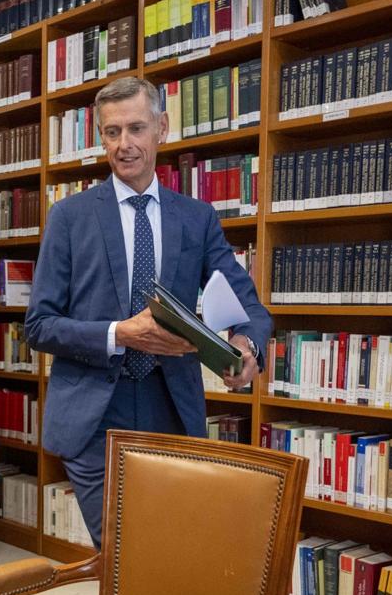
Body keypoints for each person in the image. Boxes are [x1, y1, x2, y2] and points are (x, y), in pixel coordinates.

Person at [25, 76, 271, 548]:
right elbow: (39, 325)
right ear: (100, 137)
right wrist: (120, 333)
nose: (124, 144)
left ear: (162, 127)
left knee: (170, 549)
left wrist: (245, 344)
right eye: (112, 132)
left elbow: (249, 308)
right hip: (95, 411)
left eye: (136, 128)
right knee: (123, 555)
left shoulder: (196, 218)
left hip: (171, 406)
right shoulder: (70, 217)